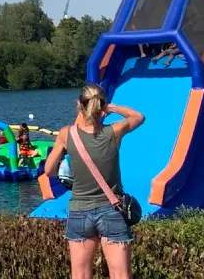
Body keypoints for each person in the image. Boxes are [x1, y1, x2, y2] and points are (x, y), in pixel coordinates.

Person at [42, 84, 145, 279]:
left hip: (79, 210)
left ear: (79, 105)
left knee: (80, 274)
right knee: (121, 274)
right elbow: (138, 117)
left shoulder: (67, 134)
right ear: (102, 106)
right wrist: (111, 107)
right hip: (112, 210)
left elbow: (49, 171)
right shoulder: (114, 132)